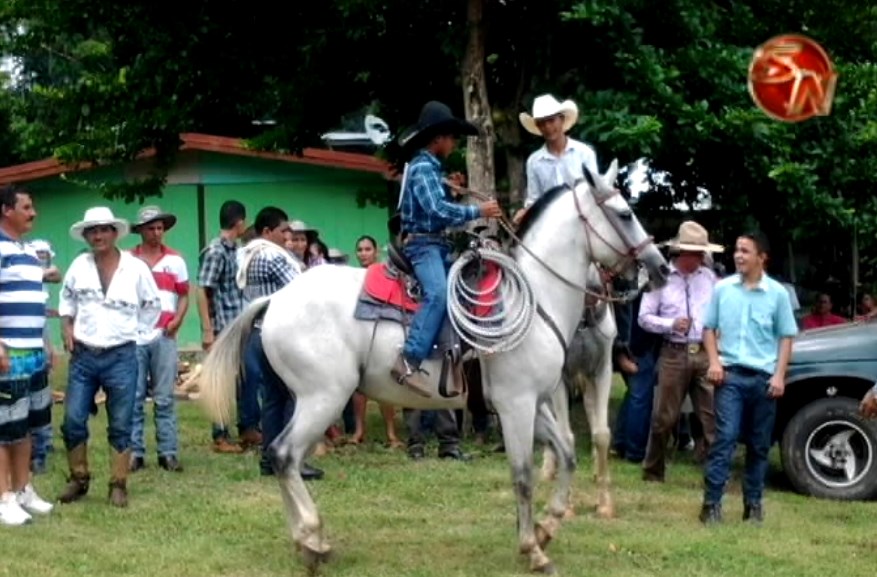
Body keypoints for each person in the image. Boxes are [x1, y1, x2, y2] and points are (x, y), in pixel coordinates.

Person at [391, 100, 502, 395]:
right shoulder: (423, 167)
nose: (454, 143)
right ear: (438, 138)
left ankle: (454, 357)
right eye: (451, 137)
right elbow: (437, 210)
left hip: (436, 246)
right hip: (424, 246)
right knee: (438, 294)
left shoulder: (430, 169)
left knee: (467, 286)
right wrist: (478, 212)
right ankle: (409, 360)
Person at [57, 207, 162, 508]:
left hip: (122, 356)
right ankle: (79, 479)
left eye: (103, 230)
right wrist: (67, 328)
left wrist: (136, 337)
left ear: (115, 233)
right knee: (73, 419)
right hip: (84, 355)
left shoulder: (136, 268)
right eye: (92, 231)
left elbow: (152, 305)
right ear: (86, 235)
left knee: (121, 422)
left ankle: (118, 483)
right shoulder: (79, 265)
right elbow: (66, 300)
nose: (98, 235)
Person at [699, 231, 798, 525]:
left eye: (745, 251)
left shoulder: (778, 294)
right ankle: (711, 504)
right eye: (737, 250)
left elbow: (786, 336)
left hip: (764, 380)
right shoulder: (723, 289)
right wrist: (714, 361)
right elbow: (708, 328)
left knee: (759, 444)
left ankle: (753, 504)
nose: (738, 256)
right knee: (725, 439)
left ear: (761, 257)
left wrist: (779, 375)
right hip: (730, 376)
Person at [236, 206, 323, 480]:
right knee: (292, 396)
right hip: (281, 335)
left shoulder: (249, 254)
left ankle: (269, 457)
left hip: (258, 332)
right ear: (266, 232)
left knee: (274, 397)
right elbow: (303, 291)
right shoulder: (273, 256)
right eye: (283, 230)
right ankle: (289, 458)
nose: (289, 236)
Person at [638, 221, 720, 480]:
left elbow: (719, 312)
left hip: (705, 352)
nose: (698, 258)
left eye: (700, 254)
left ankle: (715, 472)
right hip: (673, 352)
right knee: (665, 417)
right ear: (681, 253)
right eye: (694, 253)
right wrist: (670, 324)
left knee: (711, 416)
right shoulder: (660, 279)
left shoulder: (709, 278)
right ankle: (653, 470)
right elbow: (644, 317)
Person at [0, 185, 54, 526]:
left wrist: (46, 343)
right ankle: (3, 497)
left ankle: (22, 490)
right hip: (9, 353)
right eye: (26, 207)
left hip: (34, 352)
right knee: (4, 428)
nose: (33, 213)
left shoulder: (29, 251)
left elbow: (37, 303)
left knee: (28, 426)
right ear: (7, 210)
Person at [129, 206, 189, 473]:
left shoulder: (175, 260)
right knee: (135, 397)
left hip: (164, 333)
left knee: (164, 397)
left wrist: (177, 320)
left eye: (160, 228)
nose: (156, 233)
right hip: (135, 334)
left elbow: (185, 293)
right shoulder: (128, 260)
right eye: (151, 228)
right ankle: (135, 453)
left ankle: (168, 452)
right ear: (141, 230)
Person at [198, 200, 261, 453]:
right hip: (223, 326)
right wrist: (207, 329)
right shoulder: (215, 251)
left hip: (238, 324)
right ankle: (220, 434)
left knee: (247, 377)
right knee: (222, 380)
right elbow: (203, 290)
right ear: (240, 222)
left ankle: (247, 427)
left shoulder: (235, 250)